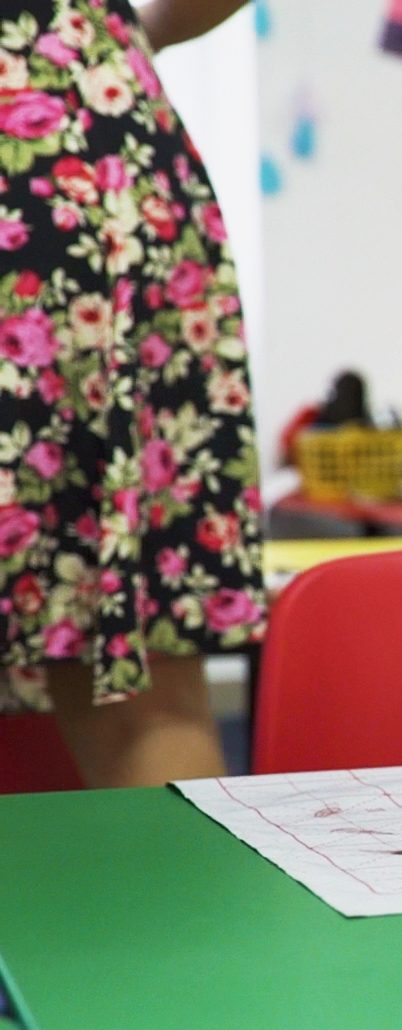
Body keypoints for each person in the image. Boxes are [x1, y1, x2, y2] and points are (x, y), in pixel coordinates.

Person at [0, 0, 263, 786]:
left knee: (141, 689)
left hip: (61, 126)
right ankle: (186, 913)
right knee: (139, 680)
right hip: (70, 115)